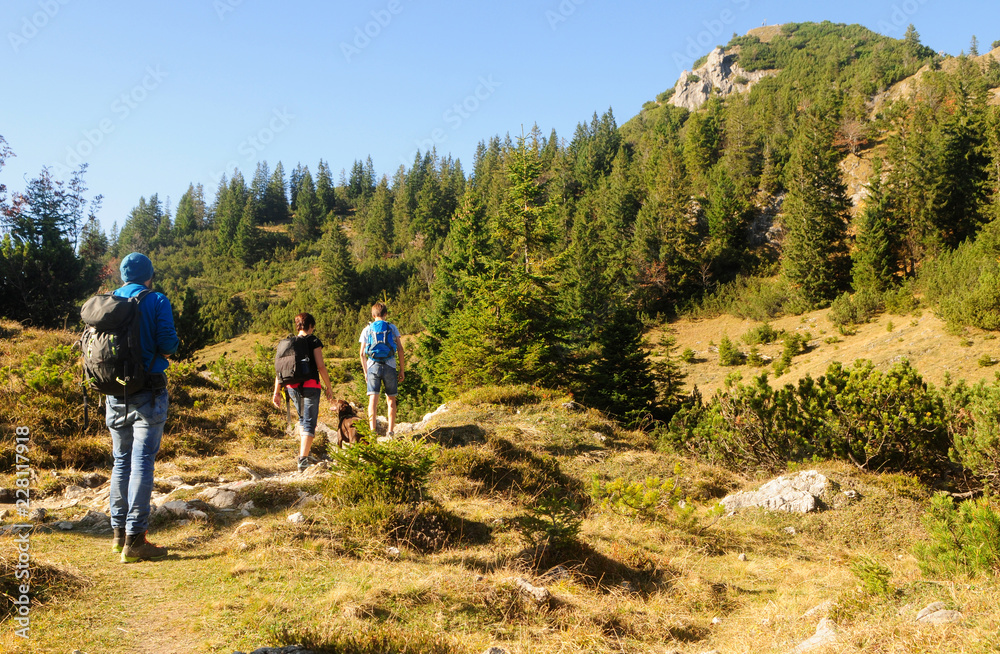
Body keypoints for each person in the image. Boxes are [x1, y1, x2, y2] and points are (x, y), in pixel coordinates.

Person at [107, 253, 179, 563]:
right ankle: (136, 540)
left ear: (122, 276)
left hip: (114, 393)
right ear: (149, 275)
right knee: (142, 461)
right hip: (148, 391)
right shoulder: (157, 300)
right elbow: (168, 344)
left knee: (121, 461)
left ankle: (118, 535)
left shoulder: (110, 301)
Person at [271, 312, 335, 471]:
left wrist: (276, 392)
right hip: (311, 386)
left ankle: (306, 453)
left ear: (298, 326)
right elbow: (320, 366)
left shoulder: (288, 343)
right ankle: (303, 460)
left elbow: (280, 370)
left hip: (291, 387)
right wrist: (329, 386)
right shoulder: (313, 340)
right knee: (309, 422)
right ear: (311, 326)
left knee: (303, 419)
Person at [358, 302, 405, 436]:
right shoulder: (392, 327)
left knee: (373, 400)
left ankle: (372, 432)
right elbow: (400, 350)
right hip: (390, 366)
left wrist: (366, 372)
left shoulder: (367, 329)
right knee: (391, 400)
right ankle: (390, 431)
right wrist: (401, 370)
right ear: (385, 314)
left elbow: (362, 354)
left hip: (373, 366)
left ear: (373, 315)